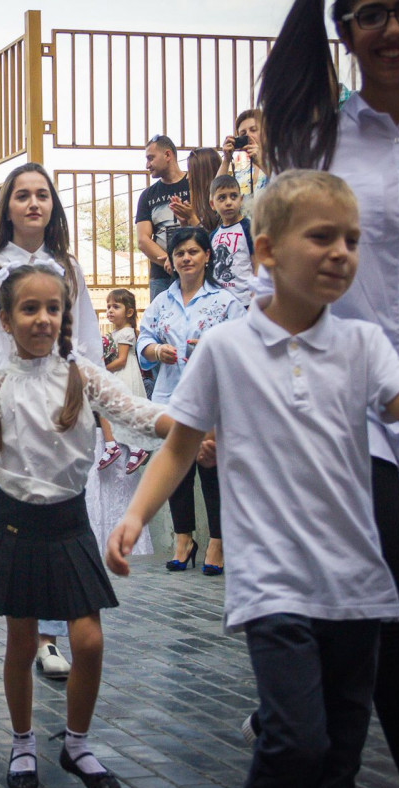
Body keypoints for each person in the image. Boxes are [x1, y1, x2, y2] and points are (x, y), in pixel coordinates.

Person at [109, 169, 399, 788]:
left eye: (352, 240)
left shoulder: (363, 344)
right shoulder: (225, 349)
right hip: (274, 585)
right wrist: (136, 516)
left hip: (358, 587)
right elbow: (180, 447)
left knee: (339, 757)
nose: (341, 252)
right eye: (322, 236)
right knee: (295, 740)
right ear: (267, 251)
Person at [257, 3, 399, 788]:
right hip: (337, 403)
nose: (390, 31)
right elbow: (275, 275)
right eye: (369, 13)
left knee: (363, 618)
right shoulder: (318, 142)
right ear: (342, 28)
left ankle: (298, 722)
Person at [0, 261, 168, 788]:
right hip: (16, 528)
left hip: (70, 526)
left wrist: (189, 423)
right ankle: (22, 742)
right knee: (20, 643)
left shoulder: (82, 374)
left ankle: (76, 743)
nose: (43, 319)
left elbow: (136, 411)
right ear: (5, 318)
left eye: (53, 309)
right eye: (30, 308)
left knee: (88, 640)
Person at [0, 162, 104, 683]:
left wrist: (91, 407)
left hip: (57, 404)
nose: (33, 203)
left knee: (51, 513)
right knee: (7, 502)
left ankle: (48, 637)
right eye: (22, 195)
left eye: (43, 194)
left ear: (53, 205)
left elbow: (86, 339)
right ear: (8, 206)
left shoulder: (69, 266)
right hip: (2, 404)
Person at [138, 227, 245, 573]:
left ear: (207, 256)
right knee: (177, 472)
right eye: (180, 253)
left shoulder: (225, 302)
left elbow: (246, 347)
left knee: (211, 469)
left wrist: (215, 349)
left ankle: (218, 542)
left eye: (193, 252)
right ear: (172, 260)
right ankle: (184, 539)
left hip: (213, 400)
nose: (186, 258)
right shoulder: (161, 303)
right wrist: (156, 350)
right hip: (170, 398)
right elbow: (143, 342)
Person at [100, 290, 151, 474]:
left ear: (129, 312)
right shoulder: (114, 333)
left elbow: (121, 360)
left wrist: (102, 370)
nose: (110, 310)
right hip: (117, 374)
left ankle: (118, 446)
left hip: (124, 374)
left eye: (116, 306)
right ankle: (120, 446)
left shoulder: (127, 332)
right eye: (108, 307)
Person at [136, 135, 189, 303]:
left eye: (151, 158)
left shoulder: (194, 184)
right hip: (161, 276)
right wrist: (170, 260)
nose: (147, 165)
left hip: (195, 272)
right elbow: (143, 239)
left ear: (167, 155)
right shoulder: (147, 195)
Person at [208, 175, 256, 306]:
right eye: (222, 198)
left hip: (245, 301)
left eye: (233, 196)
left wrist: (256, 295)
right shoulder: (213, 236)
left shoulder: (249, 228)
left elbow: (257, 263)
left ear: (241, 200)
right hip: (221, 303)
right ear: (212, 204)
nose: (228, 202)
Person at [217, 108, 271, 215]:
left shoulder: (277, 161)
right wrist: (226, 160)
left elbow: (286, 183)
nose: (248, 135)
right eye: (243, 133)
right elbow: (215, 192)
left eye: (253, 130)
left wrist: (261, 161)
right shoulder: (239, 168)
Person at [169, 147, 222, 232]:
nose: (187, 177)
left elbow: (213, 243)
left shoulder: (222, 205)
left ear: (203, 175)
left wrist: (192, 218)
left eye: (191, 172)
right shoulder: (199, 205)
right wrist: (185, 223)